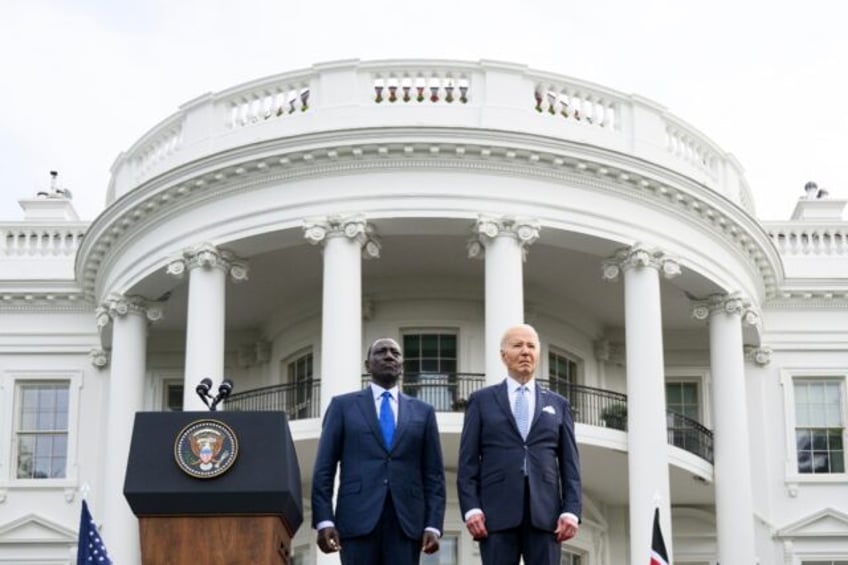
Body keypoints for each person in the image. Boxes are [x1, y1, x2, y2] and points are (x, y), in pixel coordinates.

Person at [311, 337, 446, 564]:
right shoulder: (342, 406)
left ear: (402, 365)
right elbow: (324, 468)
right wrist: (325, 520)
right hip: (356, 520)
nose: (389, 356)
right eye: (381, 352)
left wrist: (433, 524)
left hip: (407, 523)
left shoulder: (423, 412)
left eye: (395, 353)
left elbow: (434, 475)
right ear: (367, 365)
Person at [457, 324, 582, 564]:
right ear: (503, 355)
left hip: (547, 517)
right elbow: (467, 463)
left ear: (538, 354)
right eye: (517, 345)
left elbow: (571, 466)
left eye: (531, 346)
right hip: (495, 515)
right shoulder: (481, 401)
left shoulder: (558, 404)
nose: (525, 351)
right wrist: (471, 508)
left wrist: (571, 510)